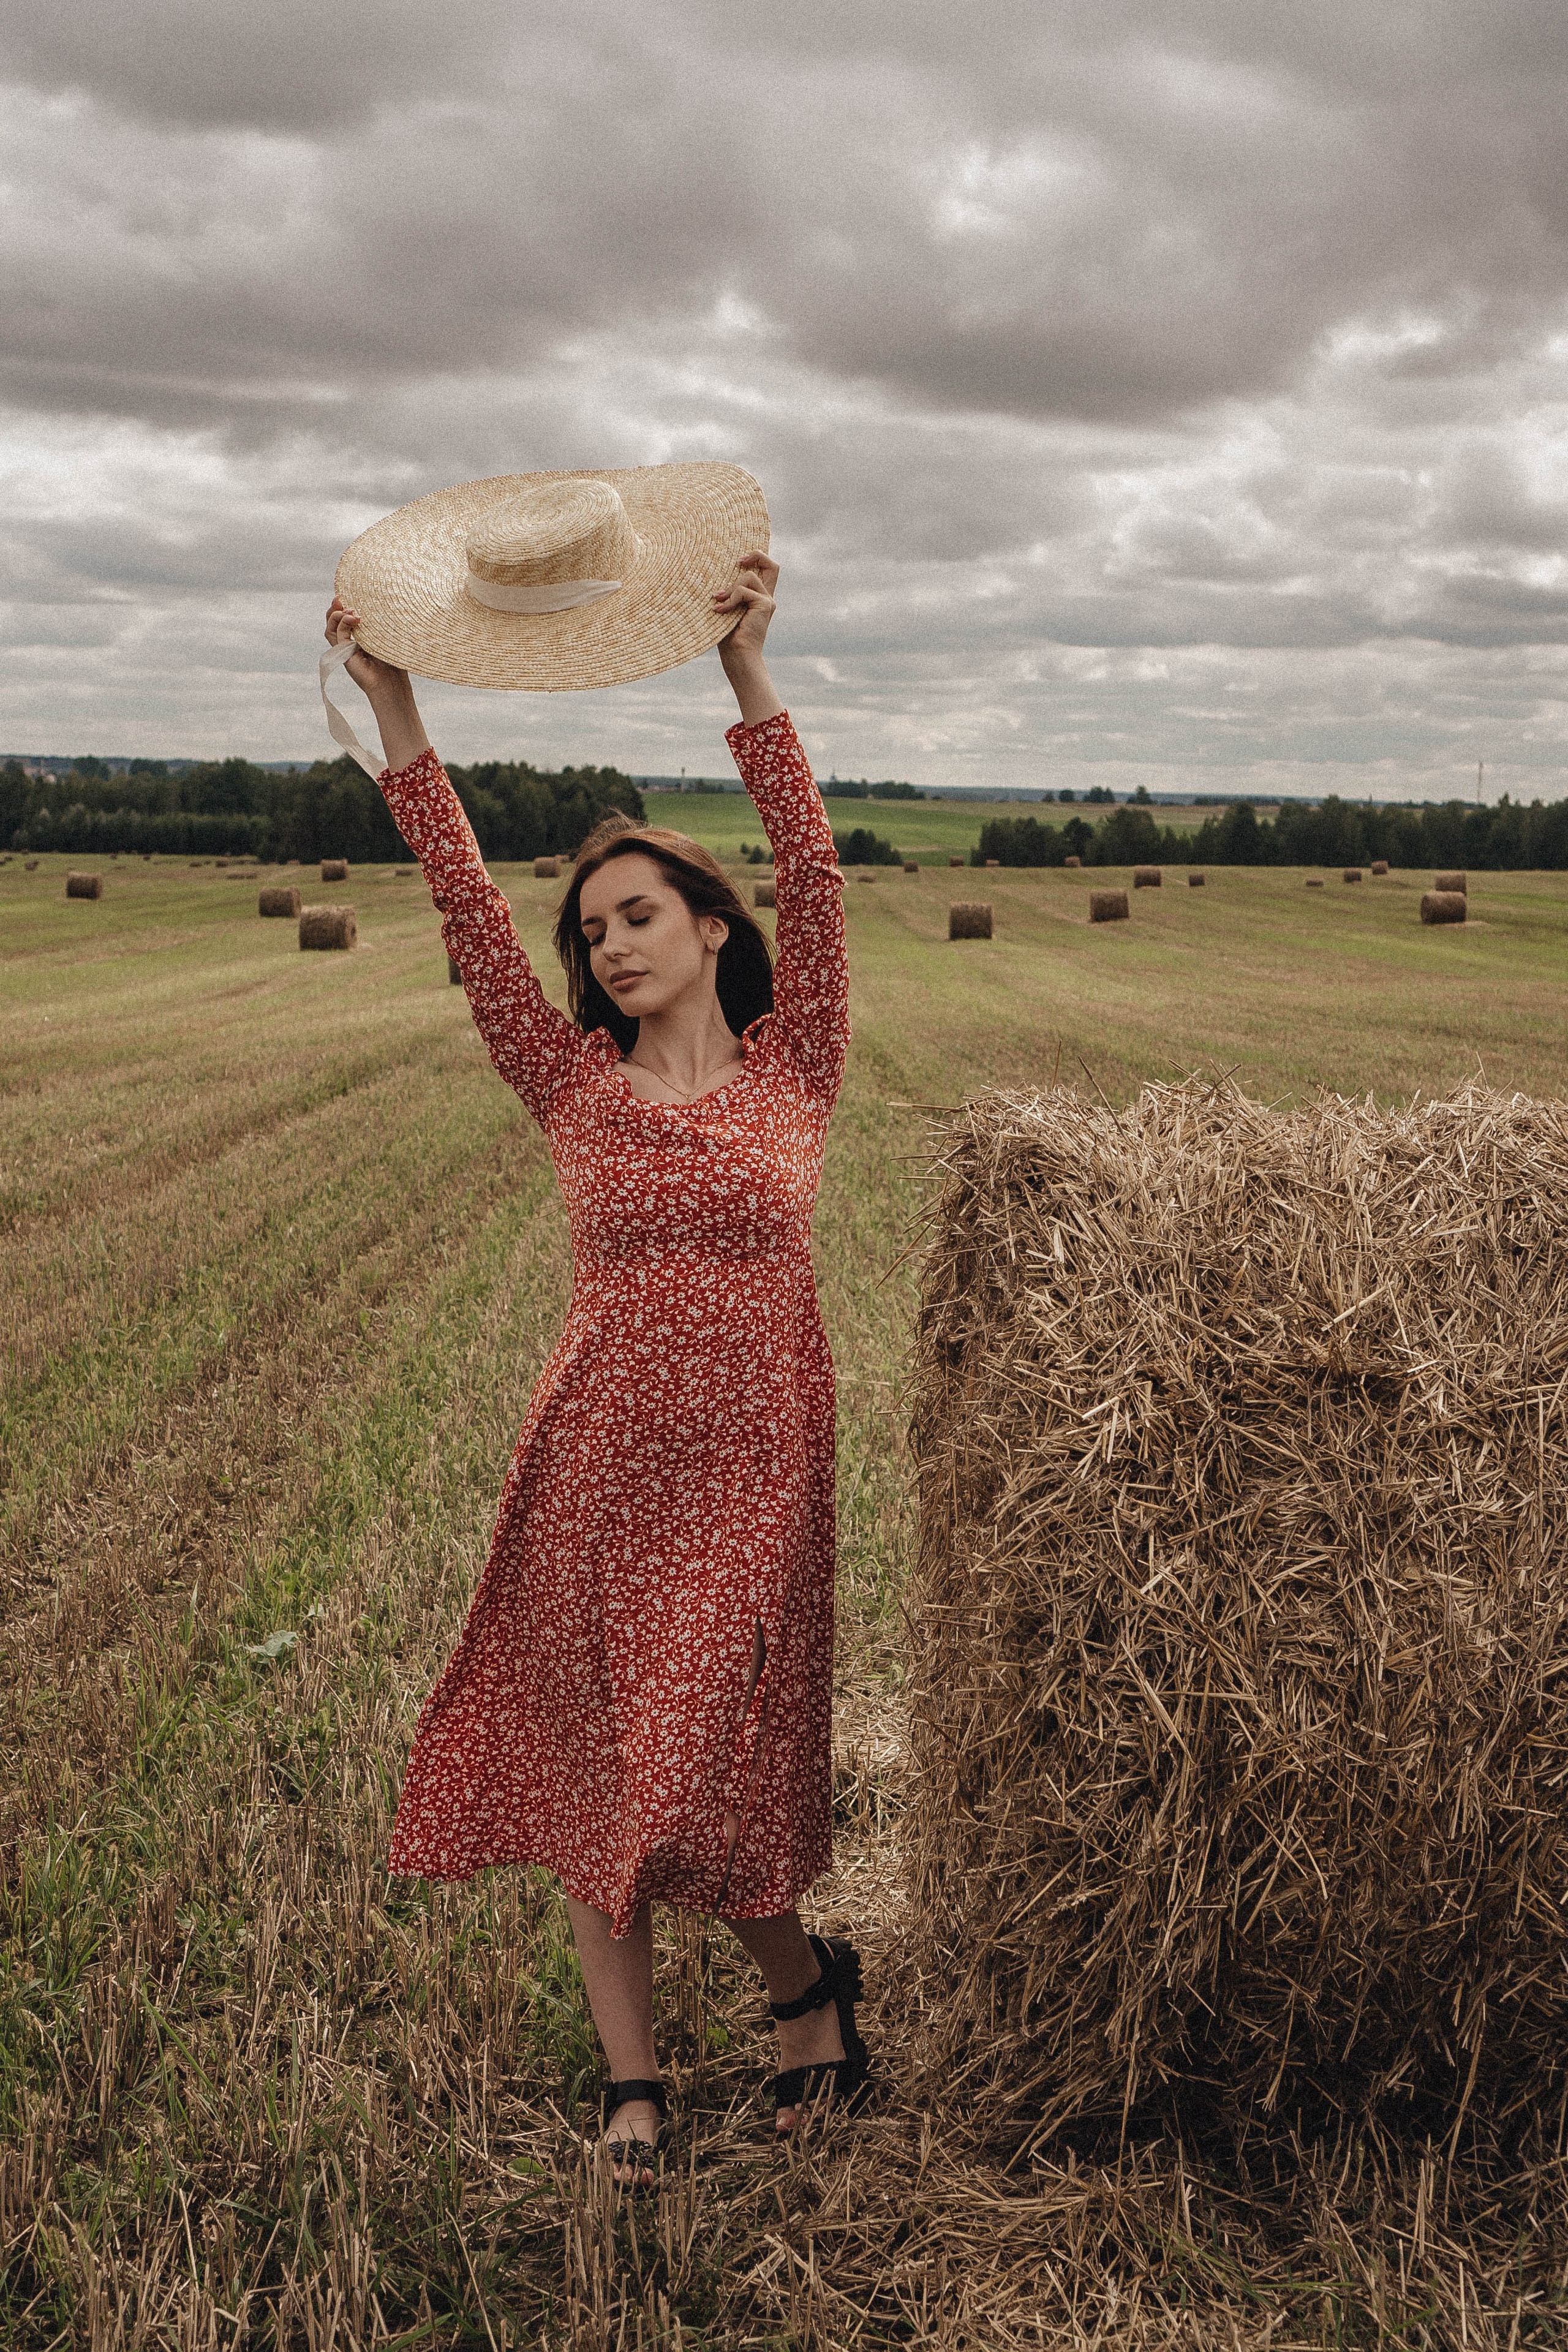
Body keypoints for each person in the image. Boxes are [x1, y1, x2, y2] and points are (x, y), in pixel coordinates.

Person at [323, 550, 870, 2180]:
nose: (610, 944)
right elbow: (471, 912)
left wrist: (750, 677)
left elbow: (819, 873)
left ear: (712, 927)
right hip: (597, 1460)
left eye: (639, 917)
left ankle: (802, 1981)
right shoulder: (568, 1084)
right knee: (594, 1768)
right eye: (593, 931)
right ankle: (636, 2079)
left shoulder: (800, 1067)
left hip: (759, 1460)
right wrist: (399, 712)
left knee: (710, 1768)